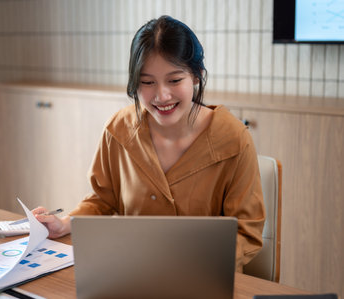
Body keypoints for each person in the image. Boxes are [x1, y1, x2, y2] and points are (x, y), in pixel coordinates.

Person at [32, 15, 265, 272]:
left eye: (175, 80)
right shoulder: (118, 129)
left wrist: (194, 264)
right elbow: (102, 202)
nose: (161, 95)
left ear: (196, 76)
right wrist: (65, 225)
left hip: (204, 278)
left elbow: (246, 232)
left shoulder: (233, 138)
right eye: (147, 82)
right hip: (133, 273)